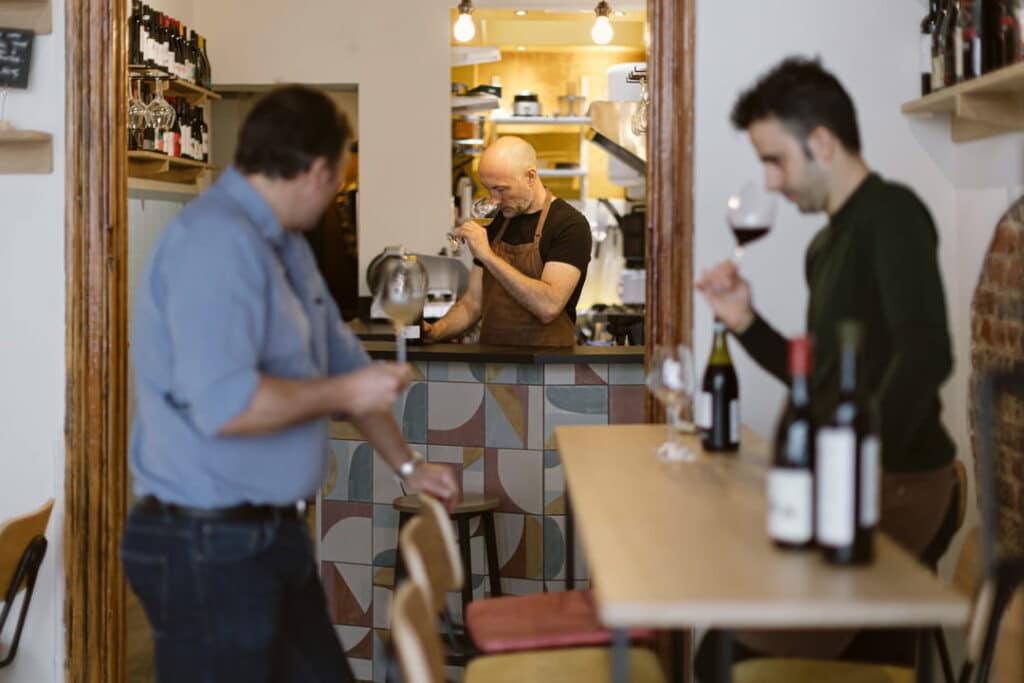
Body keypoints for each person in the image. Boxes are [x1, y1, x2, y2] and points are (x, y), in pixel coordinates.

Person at [122, 86, 458, 682]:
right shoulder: (214, 243)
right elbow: (226, 406)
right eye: (338, 182)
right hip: (204, 545)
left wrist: (409, 467)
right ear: (319, 170)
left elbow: (346, 365)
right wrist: (345, 396)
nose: (336, 197)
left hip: (269, 537)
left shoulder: (287, 246)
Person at [694, 57, 958, 676]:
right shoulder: (827, 244)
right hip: (858, 483)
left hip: (900, 487)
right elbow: (819, 380)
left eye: (774, 159)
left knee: (723, 656)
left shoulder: (891, 213)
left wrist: (849, 463)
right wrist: (745, 323)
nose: (772, 181)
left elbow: (928, 355)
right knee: (726, 641)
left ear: (821, 141)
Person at [423, 136, 592, 347]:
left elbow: (548, 307)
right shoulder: (496, 222)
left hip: (547, 370)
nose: (494, 200)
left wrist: (487, 256)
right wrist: (434, 331)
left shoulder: (569, 225)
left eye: (501, 189)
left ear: (530, 177)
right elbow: (472, 304)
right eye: (489, 189)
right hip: (493, 367)